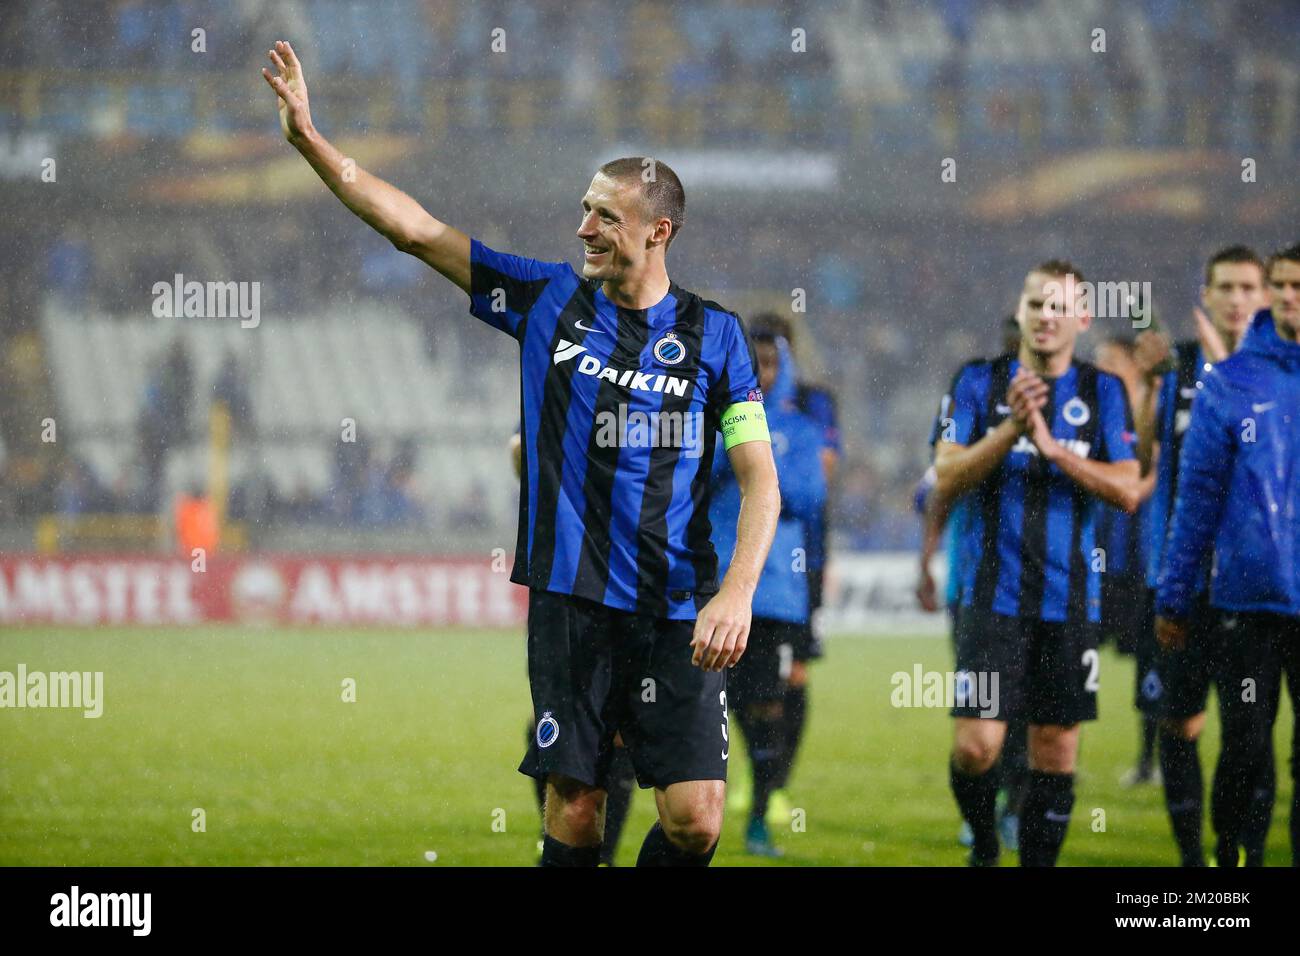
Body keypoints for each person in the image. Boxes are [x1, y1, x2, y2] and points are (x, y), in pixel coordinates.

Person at [264, 40, 781, 867]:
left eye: (604, 216)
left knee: (696, 819)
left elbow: (760, 479)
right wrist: (312, 143)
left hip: (678, 603)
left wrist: (739, 595)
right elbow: (416, 230)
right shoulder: (545, 301)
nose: (583, 228)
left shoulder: (714, 337)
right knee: (576, 813)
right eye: (584, 209)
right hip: (571, 606)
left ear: (659, 231)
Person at [934, 260, 1141, 866]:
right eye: (1035, 305)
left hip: (1070, 601)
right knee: (976, 747)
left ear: (1081, 316)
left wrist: (1052, 448)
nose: (1045, 317)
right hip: (989, 599)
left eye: (1058, 307)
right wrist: (1010, 433)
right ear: (1020, 313)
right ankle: (986, 842)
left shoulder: (1104, 392)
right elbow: (945, 472)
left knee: (1055, 749)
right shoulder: (976, 381)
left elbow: (1128, 487)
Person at [1156, 243, 1300, 868]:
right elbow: (1197, 501)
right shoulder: (1231, 384)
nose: (1292, 296)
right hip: (1248, 605)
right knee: (1246, 745)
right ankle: (1231, 866)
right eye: (1285, 285)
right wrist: (1174, 593)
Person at [711, 332, 825, 856]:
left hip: (776, 591)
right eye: (755, 362)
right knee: (710, 707)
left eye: (774, 362)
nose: (765, 372)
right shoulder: (711, 418)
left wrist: (758, 458)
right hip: (713, 587)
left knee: (765, 709)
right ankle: (700, 812)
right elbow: (690, 478)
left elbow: (807, 496)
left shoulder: (800, 429)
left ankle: (759, 815)